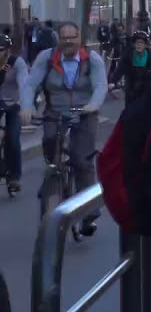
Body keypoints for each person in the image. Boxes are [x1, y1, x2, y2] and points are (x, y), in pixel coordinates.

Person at [21, 22, 108, 236]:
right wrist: (27, 107)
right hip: (55, 112)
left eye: (72, 38)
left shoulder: (92, 59)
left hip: (84, 113)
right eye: (64, 38)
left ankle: (89, 213)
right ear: (57, 39)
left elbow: (100, 86)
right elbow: (31, 84)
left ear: (79, 40)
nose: (68, 42)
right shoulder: (46, 58)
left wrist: (93, 105)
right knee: (50, 145)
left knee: (81, 159)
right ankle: (53, 175)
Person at [0, 36, 29, 194]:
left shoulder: (16, 63)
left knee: (12, 138)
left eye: (1, 50)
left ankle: (14, 177)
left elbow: (24, 85)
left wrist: (26, 107)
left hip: (13, 105)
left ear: (8, 51)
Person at [112, 31, 151, 104]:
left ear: (146, 45)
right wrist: (113, 81)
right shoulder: (128, 55)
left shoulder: (150, 56)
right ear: (134, 44)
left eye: (142, 43)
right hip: (131, 86)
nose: (139, 45)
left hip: (145, 87)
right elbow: (120, 69)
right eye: (137, 42)